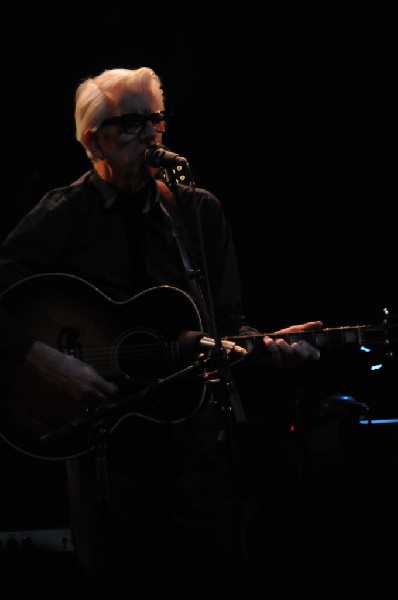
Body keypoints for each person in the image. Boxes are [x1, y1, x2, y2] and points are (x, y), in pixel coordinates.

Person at [0, 66, 322, 597]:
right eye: (131, 124)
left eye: (157, 121)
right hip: (103, 443)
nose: (150, 135)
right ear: (93, 139)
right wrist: (43, 359)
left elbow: (227, 321)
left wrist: (263, 346)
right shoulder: (65, 213)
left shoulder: (197, 210)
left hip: (194, 442)